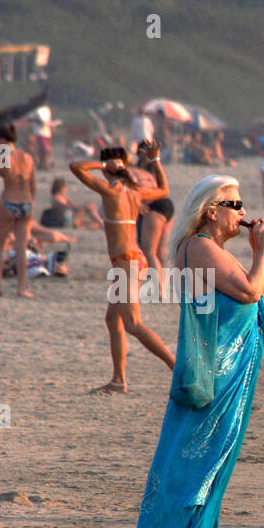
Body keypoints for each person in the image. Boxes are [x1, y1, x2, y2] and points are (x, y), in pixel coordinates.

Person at [134, 176, 264, 528]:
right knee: (200, 457)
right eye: (235, 204)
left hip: (235, 371)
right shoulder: (198, 247)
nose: (243, 212)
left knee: (219, 457)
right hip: (214, 372)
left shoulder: (216, 251)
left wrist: (258, 253)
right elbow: (250, 292)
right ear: (211, 211)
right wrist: (262, 250)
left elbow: (261, 291)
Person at [71, 142, 175, 392]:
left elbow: (75, 167)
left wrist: (101, 165)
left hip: (127, 262)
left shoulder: (110, 191)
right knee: (112, 319)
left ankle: (176, 367)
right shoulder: (135, 190)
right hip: (129, 260)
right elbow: (163, 189)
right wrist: (156, 161)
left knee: (133, 324)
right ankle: (118, 380)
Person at [0, 125, 38, 298]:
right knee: (21, 248)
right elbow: (33, 186)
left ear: (2, 140)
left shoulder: (2, 157)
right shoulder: (27, 158)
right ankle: (21, 288)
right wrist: (31, 203)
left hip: (8, 203)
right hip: (26, 204)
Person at [135, 148, 175, 300]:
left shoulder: (136, 170)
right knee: (161, 252)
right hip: (167, 205)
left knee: (150, 251)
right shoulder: (154, 167)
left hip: (154, 207)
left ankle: (159, 289)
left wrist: (137, 204)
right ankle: (164, 287)